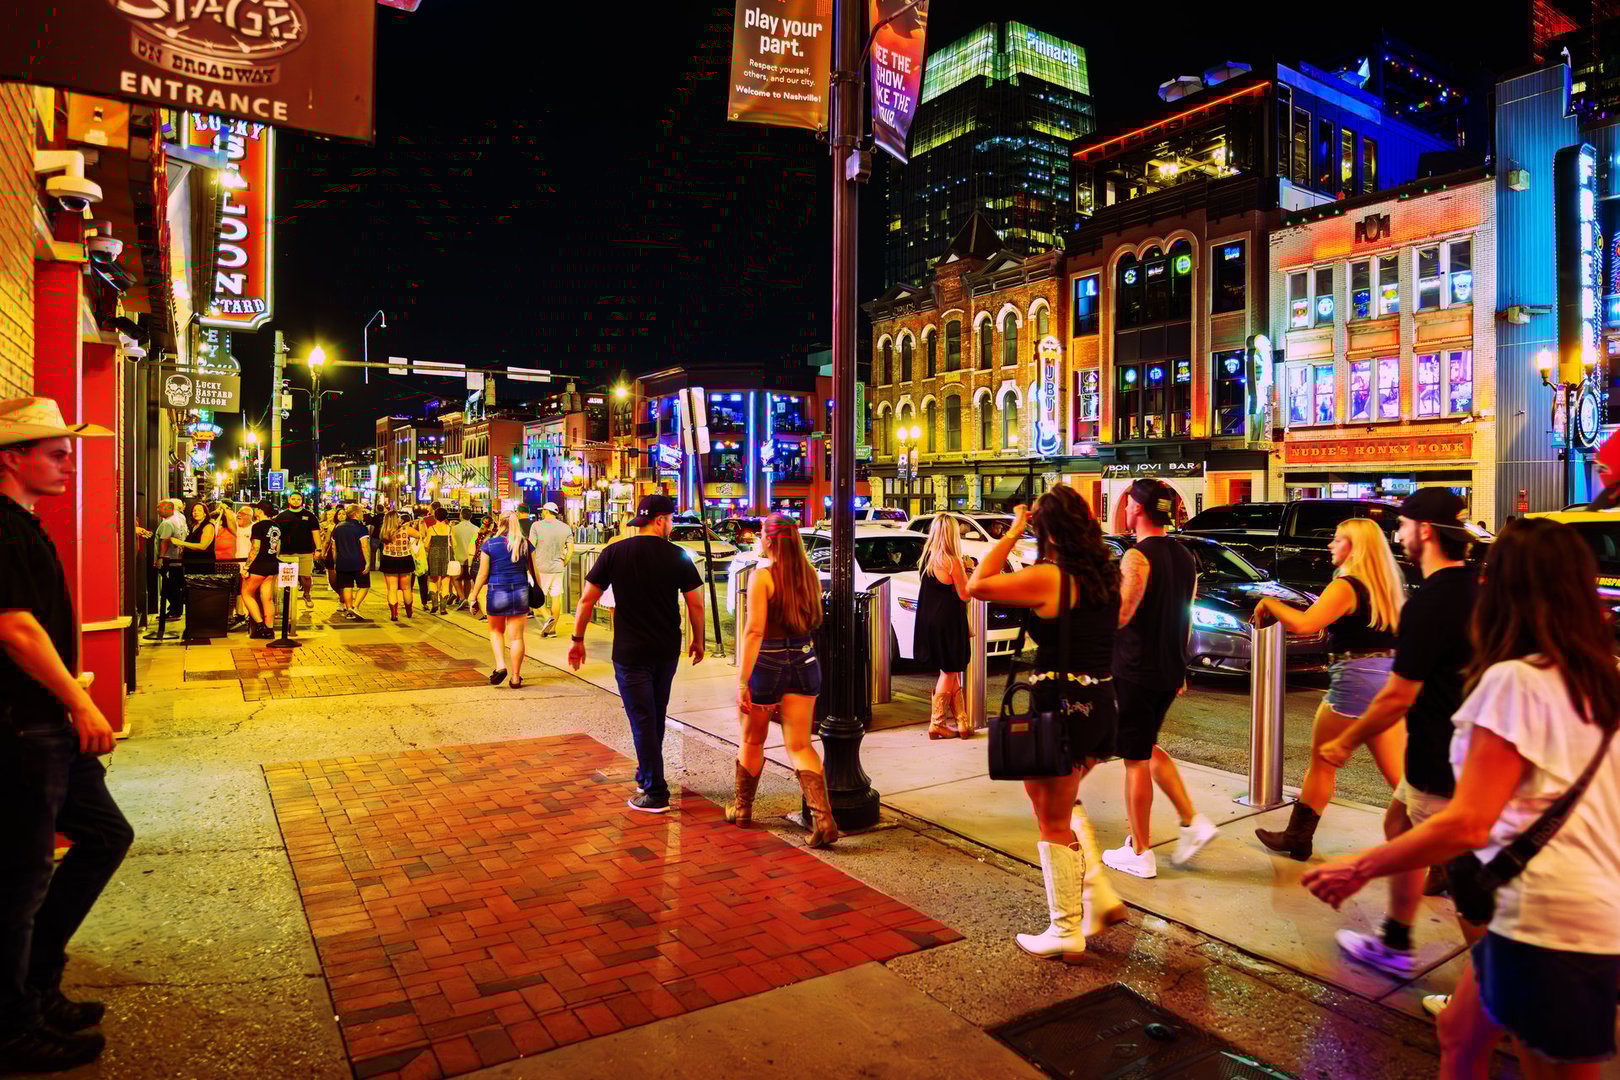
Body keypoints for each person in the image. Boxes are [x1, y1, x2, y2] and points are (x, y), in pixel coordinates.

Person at [1304, 518, 1620, 1077]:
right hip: (1560, 905)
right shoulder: (1599, 676)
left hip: (1551, 921)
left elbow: (1469, 823)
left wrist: (1360, 867)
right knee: (1459, 1035)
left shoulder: (1516, 681)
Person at [0, 397, 131, 1072]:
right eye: (56, 452)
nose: (69, 462)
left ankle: (35, 983)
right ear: (15, 458)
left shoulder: (27, 523)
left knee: (106, 836)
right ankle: (10, 1023)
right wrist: (78, 700)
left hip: (48, 719)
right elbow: (15, 629)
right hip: (26, 726)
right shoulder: (2, 527)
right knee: (19, 879)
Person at [1316, 488, 1481, 978]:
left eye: (1404, 526)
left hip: (1441, 753)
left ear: (1425, 532)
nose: (1400, 535)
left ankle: (1499, 1000)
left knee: (1471, 890)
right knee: (1398, 825)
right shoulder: (1478, 587)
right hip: (1465, 747)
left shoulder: (1429, 604)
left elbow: (1397, 696)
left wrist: (1347, 739)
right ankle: (1396, 940)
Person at [965, 487, 1126, 960]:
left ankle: (1065, 929)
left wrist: (1011, 531)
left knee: (1051, 818)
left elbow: (978, 584)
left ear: (1047, 529)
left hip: (1061, 706)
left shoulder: (1051, 578)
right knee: (1061, 804)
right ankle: (1093, 898)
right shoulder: (1104, 575)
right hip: (1098, 703)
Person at [1251, 518, 1406, 859]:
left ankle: (1297, 836)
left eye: (1337, 540)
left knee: (1323, 762)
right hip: (1386, 678)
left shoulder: (1347, 585)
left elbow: (1307, 624)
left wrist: (1269, 603)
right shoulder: (1386, 585)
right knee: (1399, 776)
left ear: (1355, 547)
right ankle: (1443, 854)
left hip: (1353, 681)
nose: (1330, 545)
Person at [1102, 478, 1216, 879]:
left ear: (1138, 509)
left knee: (1134, 760)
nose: (1126, 506)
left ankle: (1141, 851)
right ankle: (1192, 821)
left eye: (1130, 501)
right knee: (1146, 747)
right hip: (1167, 669)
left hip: (1135, 669)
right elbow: (1184, 617)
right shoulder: (1185, 556)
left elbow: (1121, 615)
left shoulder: (1137, 557)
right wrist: (1180, 666)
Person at [569, 495, 705, 814]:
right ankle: (647, 776)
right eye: (670, 519)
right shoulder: (678, 556)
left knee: (643, 717)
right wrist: (698, 639)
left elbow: (587, 600)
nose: (671, 525)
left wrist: (578, 639)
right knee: (654, 714)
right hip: (666, 648)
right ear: (660, 520)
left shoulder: (614, 552)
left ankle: (655, 790)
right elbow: (696, 604)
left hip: (630, 651)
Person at [727, 515, 837, 847]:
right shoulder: (810, 575)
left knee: (752, 740)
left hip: (768, 664)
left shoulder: (763, 577)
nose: (758, 539)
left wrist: (743, 681)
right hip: (805, 661)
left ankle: (743, 810)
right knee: (801, 745)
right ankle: (824, 819)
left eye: (761, 535)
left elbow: (754, 631)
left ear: (771, 540)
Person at [913, 513, 973, 740]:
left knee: (950, 669)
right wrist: (968, 571)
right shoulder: (952, 561)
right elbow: (965, 594)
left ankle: (962, 721)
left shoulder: (927, 559)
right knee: (949, 671)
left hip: (929, 620)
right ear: (952, 535)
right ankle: (936, 723)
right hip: (948, 621)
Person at [471, 514, 539, 688]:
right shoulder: (524, 544)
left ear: (499, 524)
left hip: (497, 590)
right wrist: (538, 589)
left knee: (496, 631)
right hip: (520, 591)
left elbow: (483, 574)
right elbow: (534, 571)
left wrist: (473, 595)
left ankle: (500, 665)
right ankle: (516, 677)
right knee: (516, 638)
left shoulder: (490, 544)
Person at [528, 502, 573, 637]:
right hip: (557, 568)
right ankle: (552, 629)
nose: (541, 513)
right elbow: (570, 550)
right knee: (556, 598)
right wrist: (563, 562)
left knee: (534, 596)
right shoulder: (565, 528)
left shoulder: (536, 526)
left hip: (540, 567)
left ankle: (548, 617)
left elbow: (531, 546)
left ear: (546, 511)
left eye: (543, 511)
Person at [241, 501, 281, 639]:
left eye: (256, 509)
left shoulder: (258, 526)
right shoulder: (276, 526)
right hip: (272, 564)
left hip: (259, 565)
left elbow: (255, 548)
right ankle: (269, 629)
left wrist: (246, 567)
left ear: (260, 510)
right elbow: (277, 548)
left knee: (246, 593)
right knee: (267, 598)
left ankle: (259, 624)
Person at [273, 493, 320, 608]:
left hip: (305, 552)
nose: (295, 501)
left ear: (302, 501)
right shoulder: (281, 517)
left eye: (298, 499)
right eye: (293, 499)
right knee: (287, 580)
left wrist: (318, 549)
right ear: (289, 500)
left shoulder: (310, 516)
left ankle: (307, 593)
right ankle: (285, 603)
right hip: (286, 553)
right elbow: (276, 536)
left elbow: (315, 533)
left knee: (306, 576)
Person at [330, 505, 371, 620]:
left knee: (347, 586)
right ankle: (355, 606)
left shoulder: (338, 527)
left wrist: (335, 562)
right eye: (361, 512)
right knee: (364, 585)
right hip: (358, 561)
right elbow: (364, 546)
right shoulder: (361, 527)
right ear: (356, 514)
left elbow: (334, 547)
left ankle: (349, 610)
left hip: (342, 561)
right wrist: (368, 562)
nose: (362, 514)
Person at [377, 511, 416, 622]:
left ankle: (394, 614)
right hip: (405, 559)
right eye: (398, 517)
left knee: (392, 589)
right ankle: (409, 611)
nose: (400, 519)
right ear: (395, 519)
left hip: (389, 559)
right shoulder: (406, 529)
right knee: (406, 588)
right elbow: (420, 535)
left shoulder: (384, 531)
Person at [152, 499, 187, 622]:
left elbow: (165, 541)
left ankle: (174, 612)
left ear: (168, 509)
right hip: (176, 560)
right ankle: (174, 610)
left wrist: (160, 559)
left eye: (159, 508)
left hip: (169, 560)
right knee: (175, 586)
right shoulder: (179, 519)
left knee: (171, 587)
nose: (157, 510)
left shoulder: (167, 523)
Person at [422, 506, 453, 614]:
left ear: (435, 516)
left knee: (433, 580)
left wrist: (430, 548)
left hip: (433, 555)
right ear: (445, 517)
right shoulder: (449, 528)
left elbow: (426, 545)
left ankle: (435, 603)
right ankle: (443, 608)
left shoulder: (431, 528)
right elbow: (455, 544)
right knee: (445, 581)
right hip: (446, 555)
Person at [450, 507, 479, 610]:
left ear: (461, 515)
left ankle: (462, 597)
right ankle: (465, 598)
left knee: (455, 578)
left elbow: (453, 544)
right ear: (471, 516)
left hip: (458, 557)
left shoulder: (454, 528)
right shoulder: (476, 529)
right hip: (470, 558)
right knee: (467, 579)